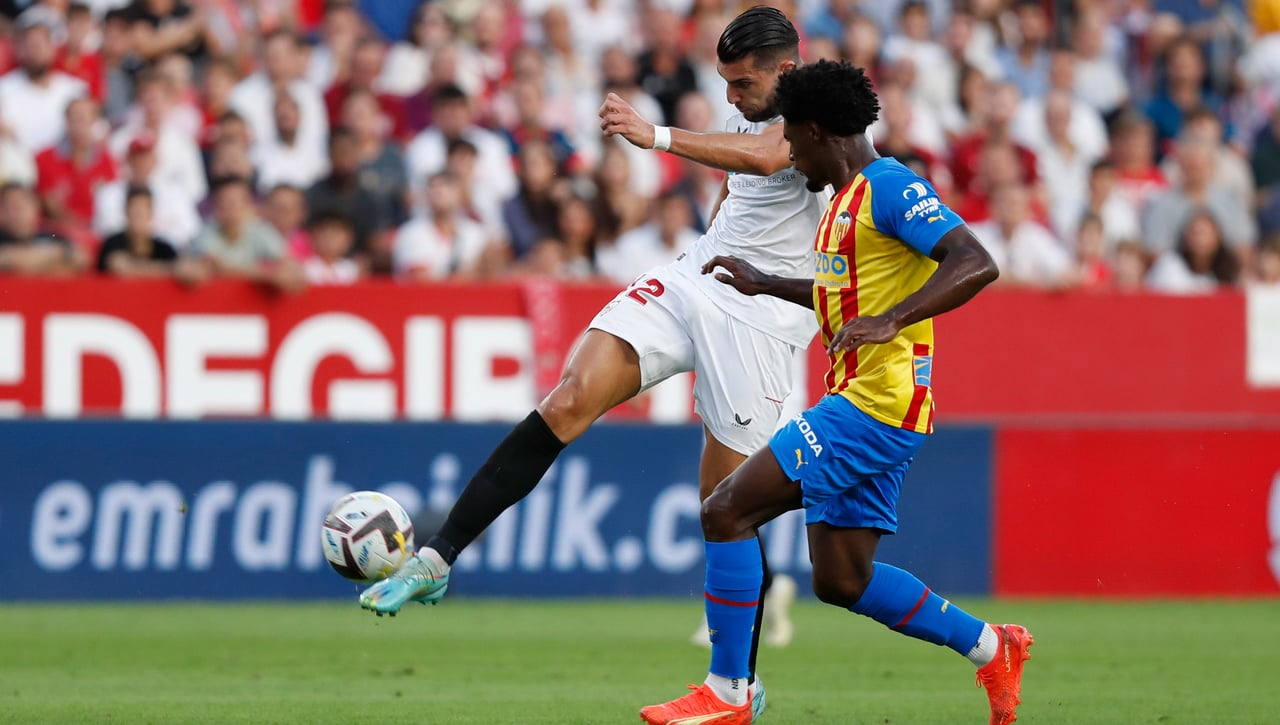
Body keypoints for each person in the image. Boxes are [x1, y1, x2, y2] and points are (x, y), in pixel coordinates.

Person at [358, 8, 832, 718]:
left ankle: (735, 688)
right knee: (569, 397)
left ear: (785, 71)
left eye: (743, 84)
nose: (733, 96)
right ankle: (438, 558)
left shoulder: (827, 116)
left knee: (724, 507)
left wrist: (657, 135)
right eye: (726, 83)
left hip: (761, 319)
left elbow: (769, 157)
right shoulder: (749, 112)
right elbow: (744, 181)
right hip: (698, 277)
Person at [637, 60, 1030, 725]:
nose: (787, 150)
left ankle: (729, 692)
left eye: (792, 135)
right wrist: (766, 282)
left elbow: (975, 261)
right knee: (841, 579)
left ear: (818, 131)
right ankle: (993, 645)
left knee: (725, 509)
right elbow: (843, 298)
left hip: (875, 406)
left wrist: (894, 318)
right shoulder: (843, 203)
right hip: (876, 404)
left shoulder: (889, 186)